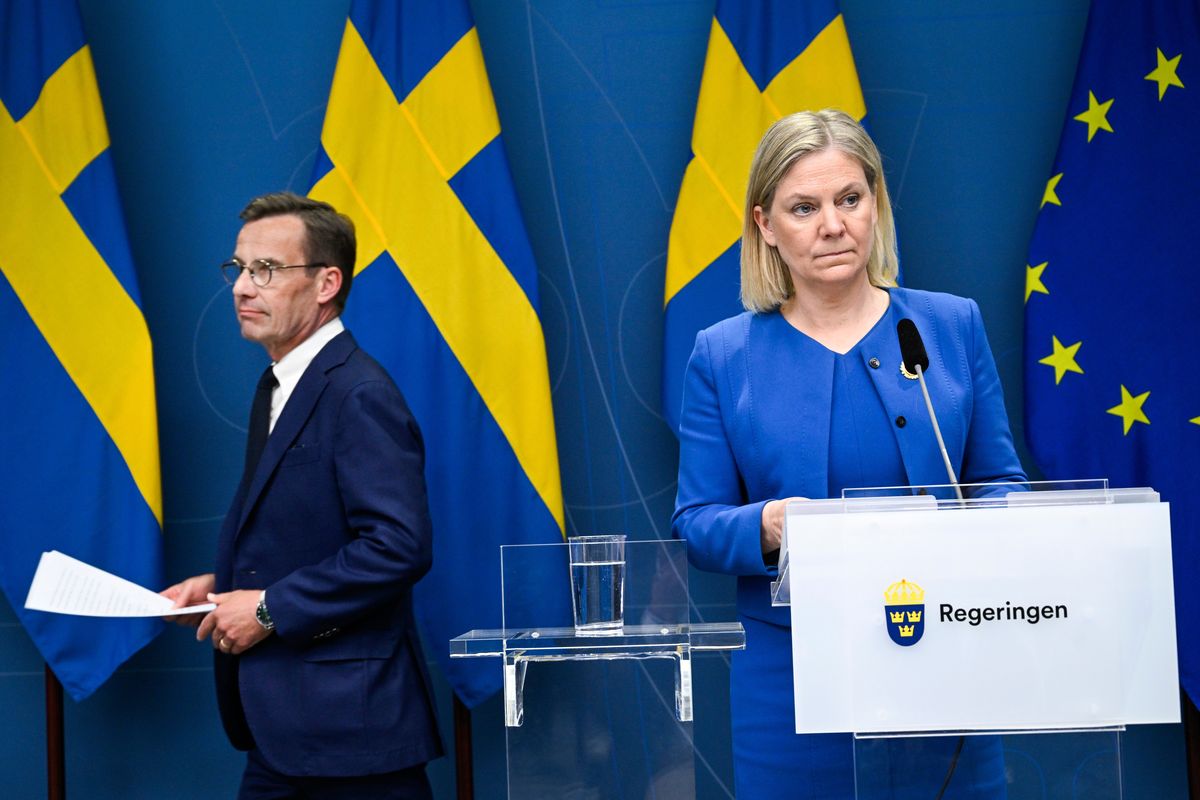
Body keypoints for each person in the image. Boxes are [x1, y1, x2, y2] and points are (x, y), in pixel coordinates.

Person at [671, 110, 1027, 797]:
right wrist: (767, 524)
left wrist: (997, 520)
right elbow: (698, 522)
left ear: (875, 206)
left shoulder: (951, 325)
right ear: (766, 226)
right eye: (804, 208)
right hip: (792, 680)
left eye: (850, 200)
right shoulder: (722, 355)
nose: (833, 225)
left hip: (948, 656)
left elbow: (997, 480)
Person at [163, 192, 443, 798]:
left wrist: (266, 609)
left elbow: (399, 546)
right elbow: (310, 530)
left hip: (351, 741)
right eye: (237, 268)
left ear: (326, 284)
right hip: (285, 735)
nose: (241, 287)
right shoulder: (279, 384)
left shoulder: (359, 392)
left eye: (266, 270)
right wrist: (223, 584)